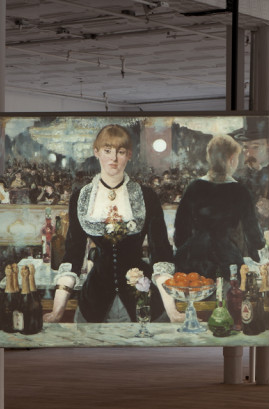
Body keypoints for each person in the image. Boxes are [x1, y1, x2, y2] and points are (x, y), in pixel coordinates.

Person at [44, 124, 180, 324]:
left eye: (121, 152)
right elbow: (73, 256)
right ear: (96, 152)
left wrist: (173, 311)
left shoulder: (147, 196)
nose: (114, 159)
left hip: (142, 300)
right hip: (95, 301)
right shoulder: (81, 198)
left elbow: (161, 255)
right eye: (107, 151)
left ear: (129, 155)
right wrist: (57, 311)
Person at [174, 134, 266, 280]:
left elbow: (180, 230)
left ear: (209, 158)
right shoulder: (240, 191)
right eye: (236, 158)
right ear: (231, 159)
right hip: (226, 258)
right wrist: (260, 244)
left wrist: (187, 246)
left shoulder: (194, 187)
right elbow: (253, 233)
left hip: (192, 257)